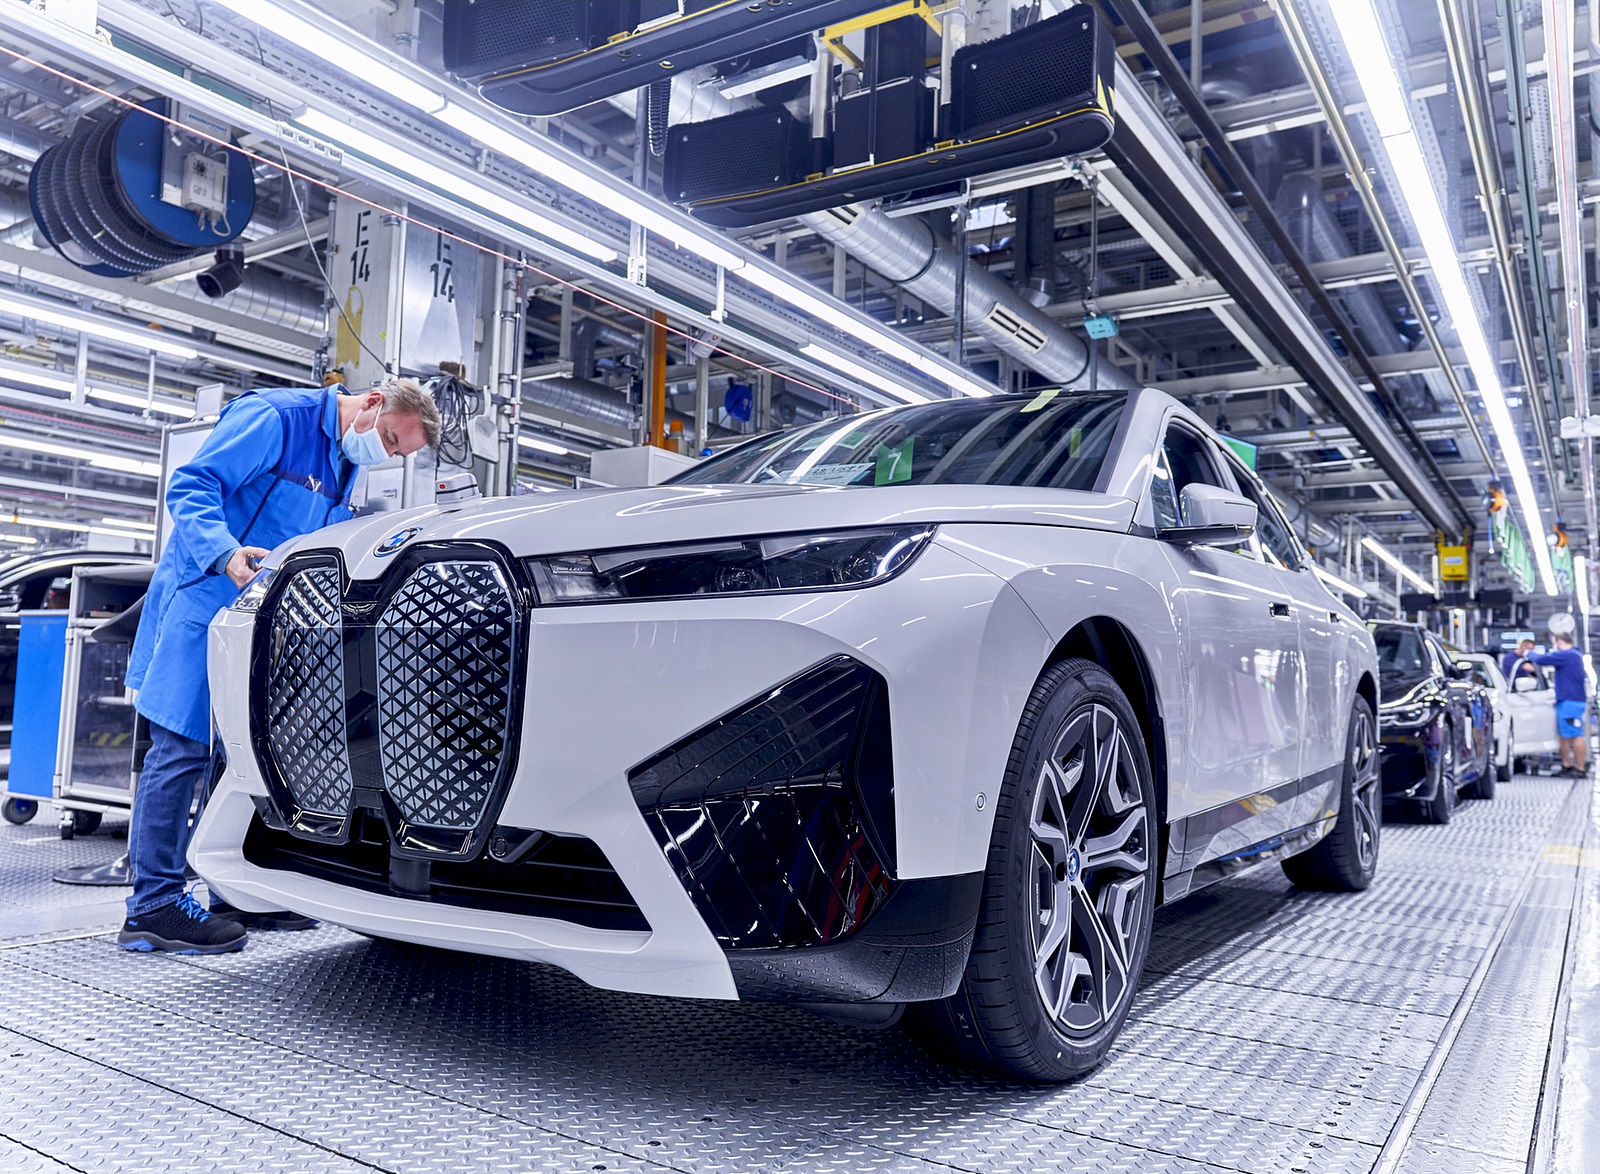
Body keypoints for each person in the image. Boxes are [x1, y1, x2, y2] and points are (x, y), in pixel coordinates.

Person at [118, 378, 439, 954]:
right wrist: (224, 553)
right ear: (372, 403)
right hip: (204, 599)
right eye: (391, 440)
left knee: (240, 757)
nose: (387, 455)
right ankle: (153, 906)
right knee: (182, 748)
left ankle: (230, 892)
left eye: (398, 453)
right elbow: (192, 484)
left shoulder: (346, 461)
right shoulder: (276, 419)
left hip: (262, 621)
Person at [1528, 633, 1590, 778]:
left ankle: (1580, 769)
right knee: (1565, 736)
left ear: (1560, 642)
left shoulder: (1569, 655)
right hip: (1566, 701)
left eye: (1555, 643)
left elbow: (1541, 659)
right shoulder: (1572, 655)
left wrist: (1530, 653)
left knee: (1575, 735)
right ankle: (1566, 766)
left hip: (1571, 701)